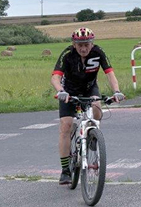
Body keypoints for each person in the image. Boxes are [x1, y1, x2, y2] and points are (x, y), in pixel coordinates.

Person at [51, 27, 124, 185]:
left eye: (87, 44)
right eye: (80, 45)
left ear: (92, 43)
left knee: (97, 110)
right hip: (69, 91)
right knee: (66, 125)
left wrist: (117, 91)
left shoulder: (98, 53)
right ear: (74, 44)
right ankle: (65, 171)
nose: (83, 48)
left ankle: (92, 136)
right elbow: (55, 77)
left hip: (90, 88)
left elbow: (110, 74)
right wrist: (60, 91)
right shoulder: (67, 55)